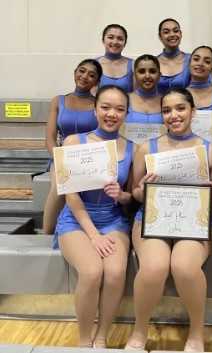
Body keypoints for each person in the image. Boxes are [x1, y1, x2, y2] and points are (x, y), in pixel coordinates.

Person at [125, 88, 212, 351]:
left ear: (193, 111)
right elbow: (134, 192)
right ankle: (140, 329)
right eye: (167, 111)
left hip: (195, 222)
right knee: (154, 267)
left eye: (180, 108)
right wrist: (142, 188)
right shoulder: (147, 148)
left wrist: (206, 198)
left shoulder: (210, 150)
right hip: (154, 219)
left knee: (184, 266)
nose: (174, 115)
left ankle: (196, 332)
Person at [54, 85, 134, 348]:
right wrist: (94, 236)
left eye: (120, 109)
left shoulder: (132, 148)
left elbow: (130, 196)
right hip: (77, 220)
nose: (112, 114)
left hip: (112, 220)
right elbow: (71, 196)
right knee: (91, 271)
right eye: (106, 107)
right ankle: (84, 340)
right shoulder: (74, 142)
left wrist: (120, 194)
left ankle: (102, 336)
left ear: (126, 113)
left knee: (114, 273)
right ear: (95, 108)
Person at [43, 59, 102, 234]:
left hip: (88, 158)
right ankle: (47, 232)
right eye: (82, 71)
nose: (85, 76)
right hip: (61, 156)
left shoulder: (98, 104)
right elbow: (50, 137)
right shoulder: (58, 101)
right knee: (59, 185)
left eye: (91, 75)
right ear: (75, 72)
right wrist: (59, 159)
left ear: (97, 82)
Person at [125, 54, 163, 141]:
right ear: (134, 75)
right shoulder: (124, 100)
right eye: (142, 71)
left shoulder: (167, 101)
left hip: (159, 153)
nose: (147, 76)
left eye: (152, 71)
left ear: (159, 75)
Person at [157, 18, 191, 94]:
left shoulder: (192, 60)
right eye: (166, 32)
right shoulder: (153, 63)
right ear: (160, 37)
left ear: (181, 34)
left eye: (176, 31)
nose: (172, 34)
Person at [97, 24, 134, 93]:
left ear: (125, 43)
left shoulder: (133, 65)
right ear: (103, 40)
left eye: (120, 39)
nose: (115, 42)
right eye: (110, 37)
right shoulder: (94, 64)